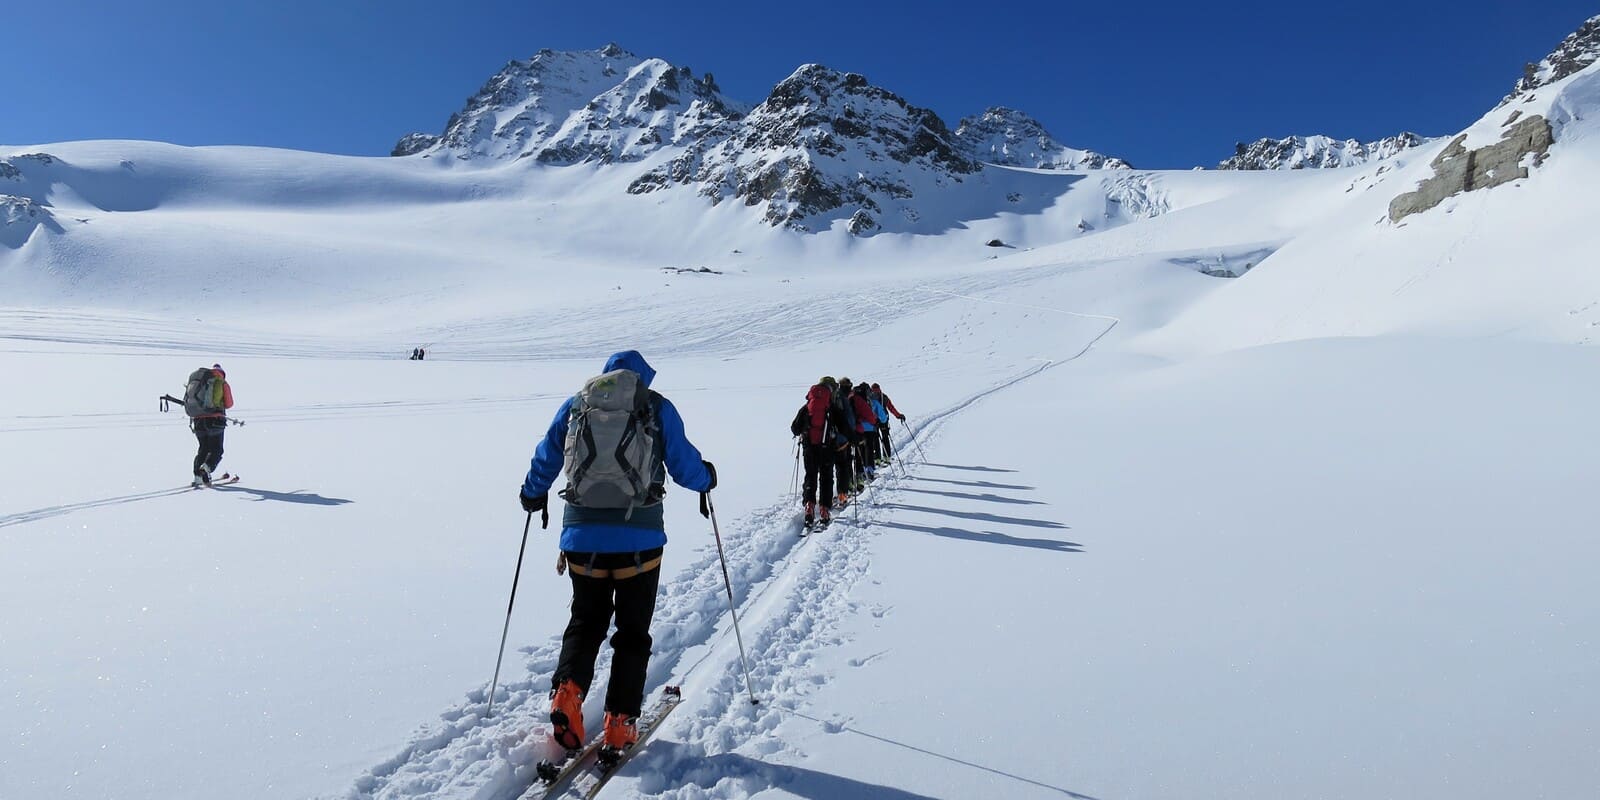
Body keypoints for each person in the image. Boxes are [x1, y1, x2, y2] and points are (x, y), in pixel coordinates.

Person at [517, 350, 715, 756]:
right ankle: (620, 723)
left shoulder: (577, 404)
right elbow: (682, 465)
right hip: (638, 542)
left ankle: (566, 697)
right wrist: (706, 477)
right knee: (631, 632)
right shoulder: (656, 407)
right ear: (642, 377)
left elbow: (548, 454)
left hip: (581, 540)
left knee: (586, 622)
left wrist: (533, 492)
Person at [790, 376, 848, 529]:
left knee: (810, 475)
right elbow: (844, 427)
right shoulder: (831, 407)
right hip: (826, 448)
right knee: (826, 477)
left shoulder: (807, 406)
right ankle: (824, 509)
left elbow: (794, 428)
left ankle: (809, 506)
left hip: (809, 447)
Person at [185, 363, 233, 486]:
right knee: (216, 449)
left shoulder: (200, 381)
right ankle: (207, 467)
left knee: (203, 449)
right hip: (215, 420)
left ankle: (197, 476)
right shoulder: (221, 383)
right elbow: (229, 404)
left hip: (198, 420)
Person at [849, 381, 880, 484]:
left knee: (859, 452)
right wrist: (875, 422)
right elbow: (873, 416)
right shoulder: (869, 400)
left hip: (857, 429)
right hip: (869, 429)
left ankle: (859, 474)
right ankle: (869, 472)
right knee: (869, 450)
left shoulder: (852, 399)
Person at [870, 383, 906, 463]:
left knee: (875, 439)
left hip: (873, 422)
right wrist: (898, 415)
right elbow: (891, 408)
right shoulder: (884, 397)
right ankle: (887, 457)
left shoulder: (869, 398)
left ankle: (877, 459)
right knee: (885, 438)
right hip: (884, 420)